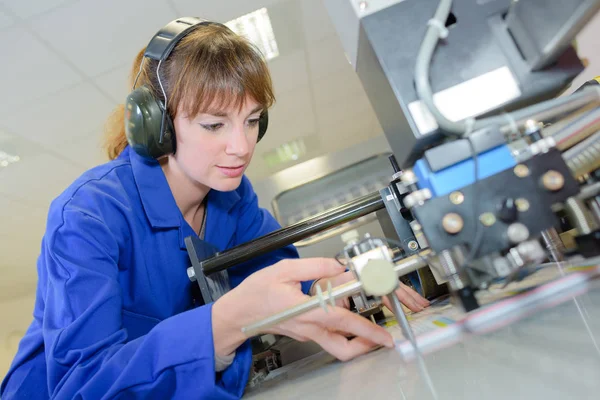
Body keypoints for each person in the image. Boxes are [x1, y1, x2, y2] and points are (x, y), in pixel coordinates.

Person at [1, 18, 428, 399]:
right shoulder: (88, 215)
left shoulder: (233, 201)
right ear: (158, 125)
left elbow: (280, 279)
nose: (241, 147)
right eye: (214, 124)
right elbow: (81, 387)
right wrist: (227, 321)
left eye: (252, 119)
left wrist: (329, 292)